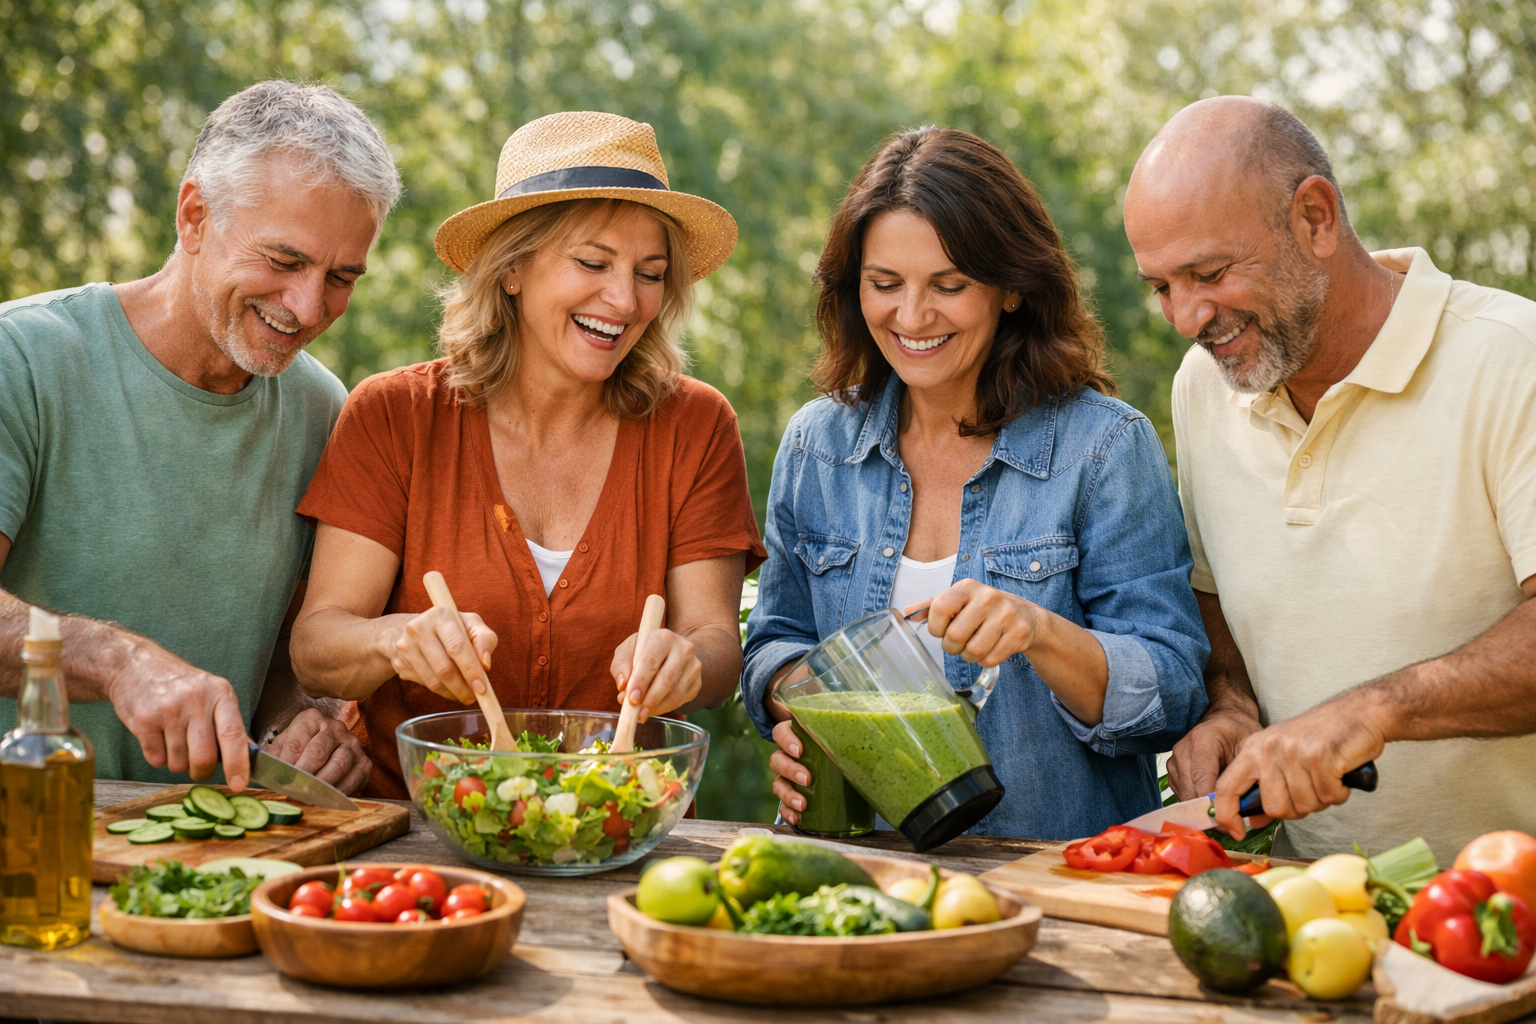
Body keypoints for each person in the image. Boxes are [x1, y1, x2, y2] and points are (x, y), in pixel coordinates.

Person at [742, 126, 1210, 840]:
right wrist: (801, 707)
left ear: (1012, 289)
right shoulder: (818, 445)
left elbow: (1172, 691)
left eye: (949, 285)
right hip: (849, 867)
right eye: (884, 284)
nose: (911, 316)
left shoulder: (1104, 447)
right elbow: (775, 644)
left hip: (1056, 879)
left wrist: (1040, 632)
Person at [289, 112, 765, 799]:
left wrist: (686, 659)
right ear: (513, 268)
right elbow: (316, 649)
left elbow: (717, 643)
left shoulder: (694, 425)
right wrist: (398, 640)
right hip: (415, 837)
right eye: (593, 263)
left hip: (616, 826)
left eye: (650, 273)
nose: (626, 299)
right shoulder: (396, 416)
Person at [1124, 96, 1536, 861]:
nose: (1184, 317)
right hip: (1310, 919)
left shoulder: (1512, 358)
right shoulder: (1203, 385)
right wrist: (1232, 705)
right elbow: (1218, 601)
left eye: (1208, 272)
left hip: (1505, 927)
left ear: (1315, 217)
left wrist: (1375, 710)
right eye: (1161, 286)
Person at [0, 81, 398, 792]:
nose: (309, 308)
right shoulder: (23, 361)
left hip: (210, 855)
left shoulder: (321, 409)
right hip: (32, 828)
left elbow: (279, 654)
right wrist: (115, 659)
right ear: (193, 216)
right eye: (283, 261)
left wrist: (294, 722)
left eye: (341, 277)